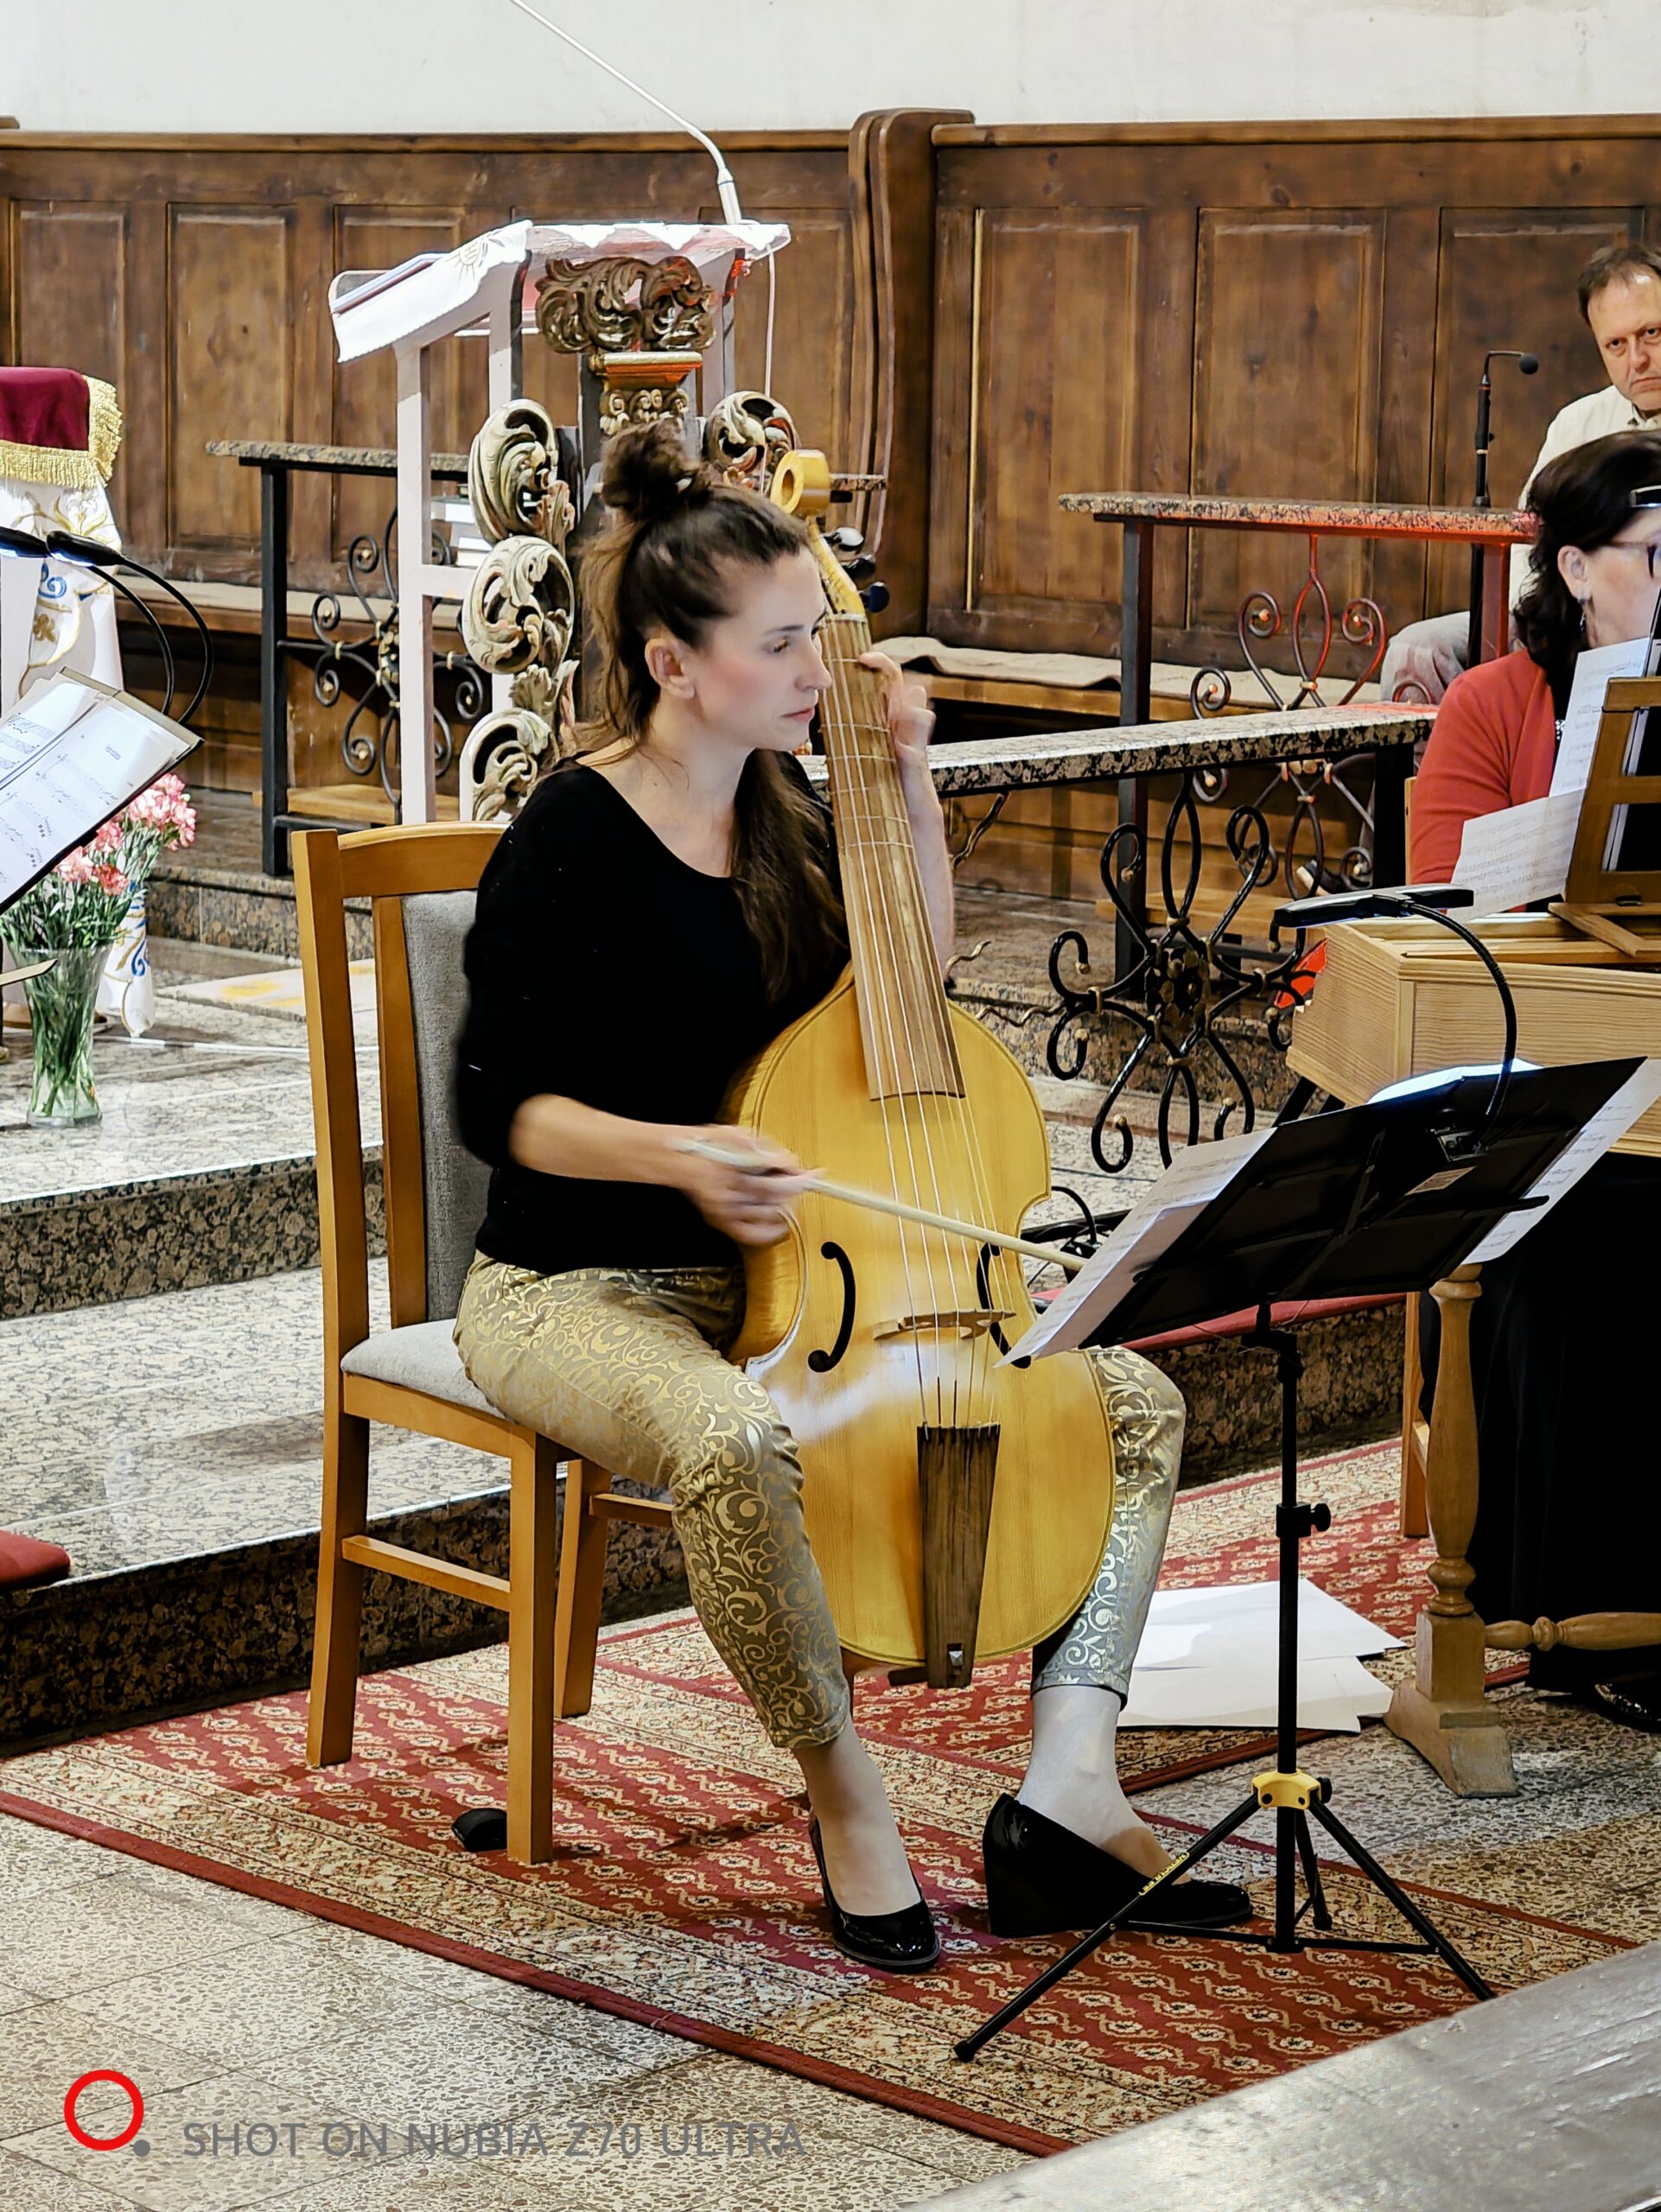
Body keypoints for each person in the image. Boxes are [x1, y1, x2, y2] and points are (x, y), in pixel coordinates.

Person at [451, 421, 1249, 1969]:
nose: (815, 666)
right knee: (733, 1436)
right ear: (674, 666)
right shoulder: (570, 834)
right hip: (578, 1288)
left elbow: (910, 984)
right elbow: (501, 1110)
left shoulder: (787, 815)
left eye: (815, 633)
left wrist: (908, 783)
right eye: (778, 644)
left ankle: (1067, 1796)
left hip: (807, 1283)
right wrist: (680, 1153)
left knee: (1129, 1402)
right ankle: (845, 1795)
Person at [1409, 428, 1661, 1729]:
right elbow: (1436, 909)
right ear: (1573, 566)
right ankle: (1580, 1609)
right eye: (1655, 553)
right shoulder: (1493, 702)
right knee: (1580, 1227)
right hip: (1530, 1078)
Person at [1383, 240, 1661, 705]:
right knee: (1419, 648)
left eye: (1651, 333)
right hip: (1567, 617)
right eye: (1616, 344)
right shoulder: (1578, 425)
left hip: (1644, 619)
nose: (1636, 359)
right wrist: (1535, 624)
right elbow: (1527, 546)